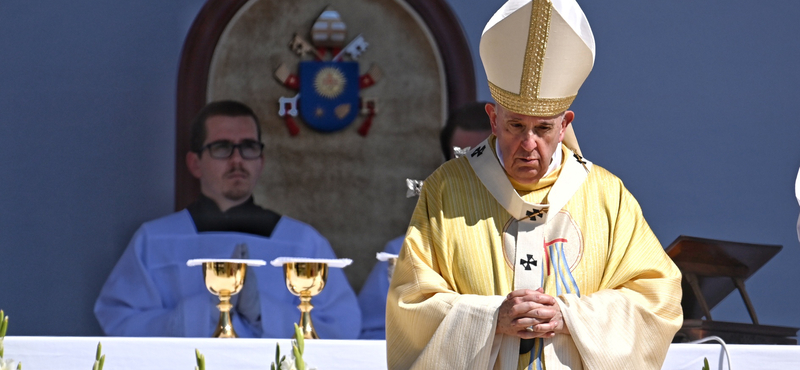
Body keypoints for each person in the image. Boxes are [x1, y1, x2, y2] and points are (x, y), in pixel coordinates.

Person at [386, 1, 683, 369]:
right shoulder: (446, 191)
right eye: (515, 126)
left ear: (564, 124)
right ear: (493, 120)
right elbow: (411, 305)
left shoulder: (607, 196)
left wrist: (570, 317)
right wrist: (491, 318)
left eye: (543, 129)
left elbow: (657, 300)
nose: (529, 145)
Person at [94, 100, 361, 339]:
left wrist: (262, 312)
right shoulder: (154, 240)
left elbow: (343, 329)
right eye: (222, 148)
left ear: (261, 160)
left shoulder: (303, 243)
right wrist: (201, 312)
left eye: (248, 147)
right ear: (194, 163)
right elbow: (118, 322)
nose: (237, 160)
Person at [358, 102, 493, 339]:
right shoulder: (405, 250)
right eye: (463, 161)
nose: (475, 174)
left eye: (488, 158)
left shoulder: (547, 240)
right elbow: (376, 334)